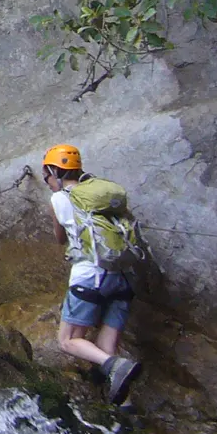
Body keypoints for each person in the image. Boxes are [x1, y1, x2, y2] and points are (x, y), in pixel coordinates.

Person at [42, 143, 144, 404]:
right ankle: (124, 405)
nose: (47, 182)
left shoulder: (59, 199)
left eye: (47, 176)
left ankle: (116, 366)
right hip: (123, 276)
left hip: (90, 277)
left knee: (68, 341)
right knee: (106, 348)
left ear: (55, 172)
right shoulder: (99, 196)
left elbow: (60, 239)